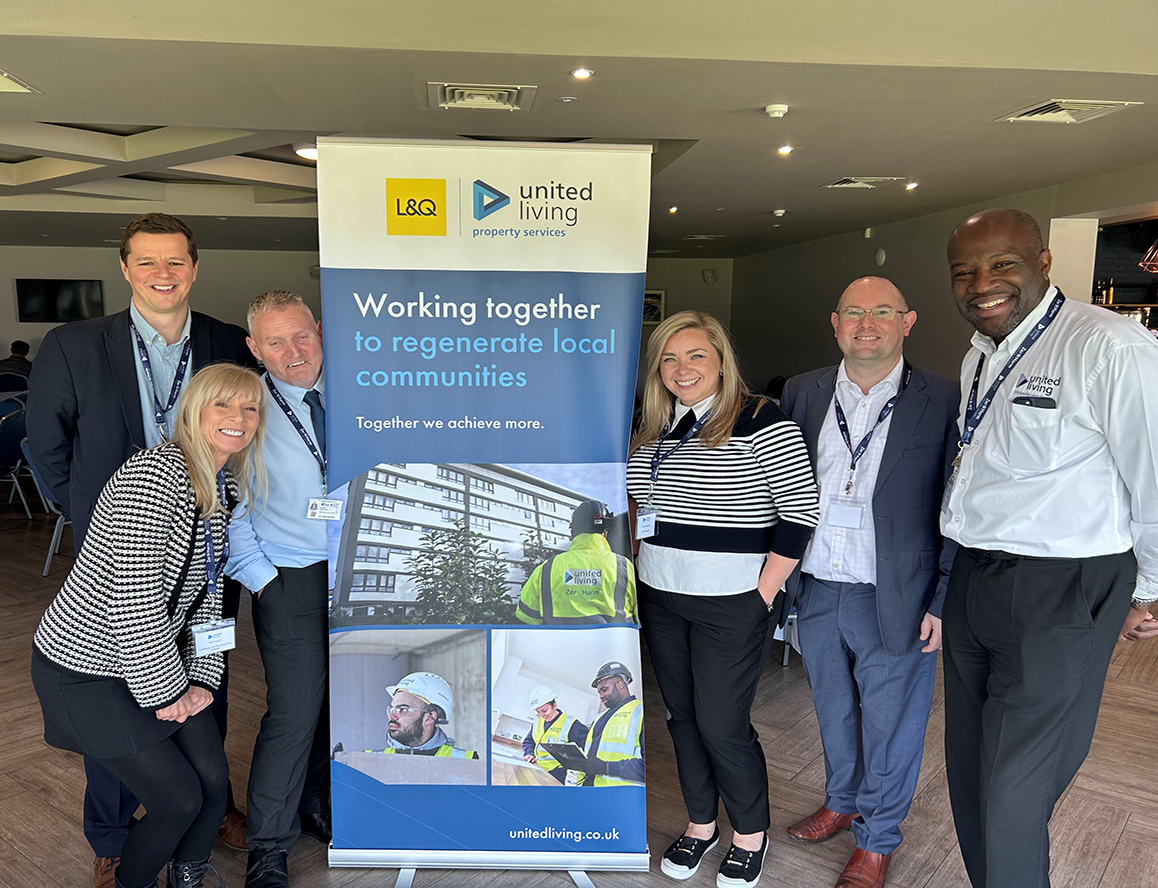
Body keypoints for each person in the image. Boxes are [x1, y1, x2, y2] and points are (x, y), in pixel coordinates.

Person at [26, 212, 255, 887]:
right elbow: (47, 444)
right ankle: (113, 835)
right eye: (148, 262)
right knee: (119, 693)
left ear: (194, 267)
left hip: (204, 541)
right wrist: (107, 523)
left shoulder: (222, 340)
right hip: (123, 553)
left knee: (201, 664)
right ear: (126, 269)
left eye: (176, 261)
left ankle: (205, 812)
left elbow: (253, 417)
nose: (164, 274)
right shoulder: (75, 343)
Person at [940, 208, 1158, 888]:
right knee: (969, 770)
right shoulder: (981, 352)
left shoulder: (1109, 345)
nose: (982, 284)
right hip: (974, 576)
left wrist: (1148, 589)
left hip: (1062, 588)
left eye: (1001, 264)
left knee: (1014, 791)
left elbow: (1154, 475)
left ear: (1042, 262)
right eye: (964, 272)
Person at [626, 310, 819, 887]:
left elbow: (799, 513)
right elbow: (639, 509)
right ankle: (699, 824)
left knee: (721, 723)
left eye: (696, 356)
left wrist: (762, 593)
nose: (682, 369)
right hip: (661, 594)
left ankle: (749, 834)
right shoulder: (653, 424)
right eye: (669, 358)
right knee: (681, 717)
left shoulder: (762, 417)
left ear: (720, 361)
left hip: (730, 601)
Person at [779, 276, 959, 888]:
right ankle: (842, 799)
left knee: (892, 722)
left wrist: (941, 595)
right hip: (818, 585)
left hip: (897, 594)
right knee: (832, 709)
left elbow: (960, 504)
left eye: (883, 312)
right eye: (854, 312)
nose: (867, 323)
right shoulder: (802, 391)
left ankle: (878, 838)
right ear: (835, 322)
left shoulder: (943, 398)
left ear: (907, 323)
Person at [225, 291, 331, 888]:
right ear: (253, 348)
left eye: (301, 336)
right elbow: (228, 505)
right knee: (293, 712)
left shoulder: (368, 391)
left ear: (318, 329)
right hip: (288, 574)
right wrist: (262, 580)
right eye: (274, 342)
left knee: (338, 705)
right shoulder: (247, 407)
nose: (293, 353)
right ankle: (268, 845)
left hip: (364, 571)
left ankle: (314, 804)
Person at [515, 499, 638, 625]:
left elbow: (527, 616)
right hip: (613, 644)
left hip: (559, 644)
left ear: (572, 533)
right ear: (605, 533)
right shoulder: (624, 566)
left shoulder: (546, 568)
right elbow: (642, 612)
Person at [365, 672, 479, 759]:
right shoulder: (369, 760)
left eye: (403, 709)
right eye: (392, 709)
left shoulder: (467, 762)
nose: (392, 716)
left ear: (430, 717)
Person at [570, 662, 645, 789]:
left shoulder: (640, 712)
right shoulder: (599, 717)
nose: (601, 696)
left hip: (617, 794)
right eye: (599, 692)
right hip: (588, 788)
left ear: (620, 685)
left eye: (604, 690)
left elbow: (647, 766)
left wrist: (606, 767)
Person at [521, 685, 589, 784]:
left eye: (544, 710)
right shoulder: (538, 720)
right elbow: (529, 741)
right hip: (535, 767)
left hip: (555, 773)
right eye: (538, 712)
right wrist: (529, 753)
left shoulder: (572, 725)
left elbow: (588, 748)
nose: (542, 715)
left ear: (554, 705)